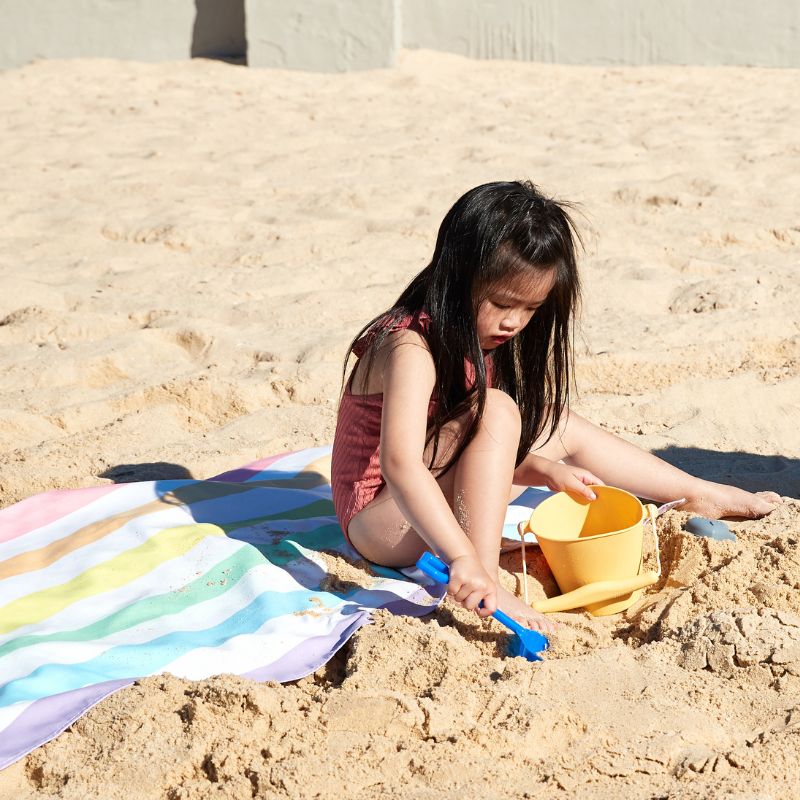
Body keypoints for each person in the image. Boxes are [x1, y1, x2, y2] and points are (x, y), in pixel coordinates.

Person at [330, 181, 780, 632]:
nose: (514, 322)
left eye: (531, 309)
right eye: (502, 303)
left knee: (552, 421)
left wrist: (544, 470)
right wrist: (463, 558)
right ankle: (488, 575)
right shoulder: (409, 348)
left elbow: (473, 450)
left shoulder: (480, 332)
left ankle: (696, 493)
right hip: (380, 525)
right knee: (496, 410)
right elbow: (402, 466)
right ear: (458, 276)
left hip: (422, 500)